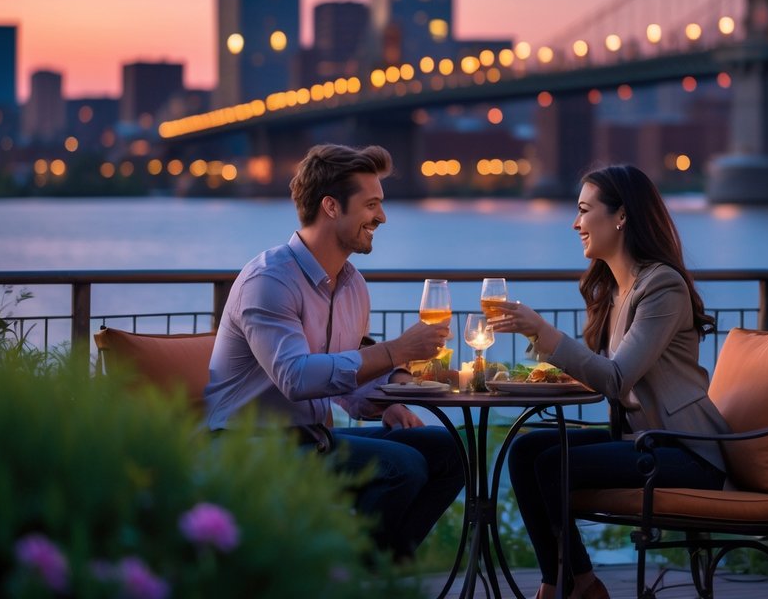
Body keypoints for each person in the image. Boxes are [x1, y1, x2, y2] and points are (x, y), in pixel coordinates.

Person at [204, 143, 464, 563]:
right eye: (372, 205)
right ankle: (362, 575)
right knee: (403, 467)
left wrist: (387, 401)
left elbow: (341, 385)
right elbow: (297, 379)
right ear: (330, 206)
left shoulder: (352, 285)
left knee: (448, 454)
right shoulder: (270, 280)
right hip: (247, 444)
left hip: (311, 439)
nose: (381, 217)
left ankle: (376, 574)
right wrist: (395, 350)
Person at [489, 164, 729, 599]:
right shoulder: (617, 291)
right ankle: (567, 581)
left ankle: (571, 585)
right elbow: (610, 374)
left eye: (584, 210)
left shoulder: (663, 287)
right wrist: (551, 365)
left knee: (550, 463)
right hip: (644, 442)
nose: (575, 222)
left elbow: (617, 379)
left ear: (621, 216)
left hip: (688, 454)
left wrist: (542, 332)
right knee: (526, 450)